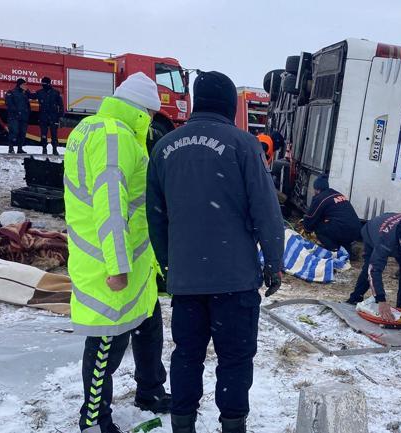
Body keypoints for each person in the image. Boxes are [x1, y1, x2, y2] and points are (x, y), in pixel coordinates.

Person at [146, 71, 284, 433]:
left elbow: (155, 217)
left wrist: (167, 264)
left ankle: (183, 423)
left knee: (187, 355)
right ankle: (233, 424)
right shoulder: (244, 145)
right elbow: (267, 212)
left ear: (195, 100)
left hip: (187, 279)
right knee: (235, 357)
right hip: (234, 279)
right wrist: (274, 262)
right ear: (228, 104)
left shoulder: (163, 148)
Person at [64, 72, 170, 433]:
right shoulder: (115, 137)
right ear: (143, 110)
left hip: (136, 260)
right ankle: (93, 419)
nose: (153, 121)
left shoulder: (94, 129)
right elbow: (110, 204)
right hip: (111, 262)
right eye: (152, 114)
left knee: (148, 326)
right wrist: (117, 265)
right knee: (107, 343)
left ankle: (150, 391)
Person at [346, 213, 401, 321]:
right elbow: (374, 270)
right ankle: (355, 298)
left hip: (396, 234)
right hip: (371, 232)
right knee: (369, 267)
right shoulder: (384, 241)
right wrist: (381, 300)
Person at [301, 175, 361, 255]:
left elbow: (311, 217)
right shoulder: (336, 193)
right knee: (334, 226)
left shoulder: (320, 198)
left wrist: (306, 229)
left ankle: (334, 250)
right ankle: (349, 250)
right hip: (356, 228)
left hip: (343, 229)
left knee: (318, 227)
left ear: (317, 189)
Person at [36, 76, 64, 155]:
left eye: (45, 83)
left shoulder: (55, 93)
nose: (43, 85)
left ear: (49, 83)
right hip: (44, 117)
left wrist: (60, 116)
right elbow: (31, 96)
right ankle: (44, 149)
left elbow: (61, 105)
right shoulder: (39, 92)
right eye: (43, 83)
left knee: (54, 134)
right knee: (43, 134)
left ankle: (54, 149)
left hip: (53, 117)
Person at [5, 78, 34, 154]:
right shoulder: (12, 93)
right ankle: (11, 148)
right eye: (24, 84)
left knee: (22, 133)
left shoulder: (26, 93)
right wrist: (16, 112)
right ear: (20, 85)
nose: (26, 86)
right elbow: (9, 104)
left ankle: (20, 148)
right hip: (14, 117)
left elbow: (32, 97)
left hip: (23, 117)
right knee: (14, 132)